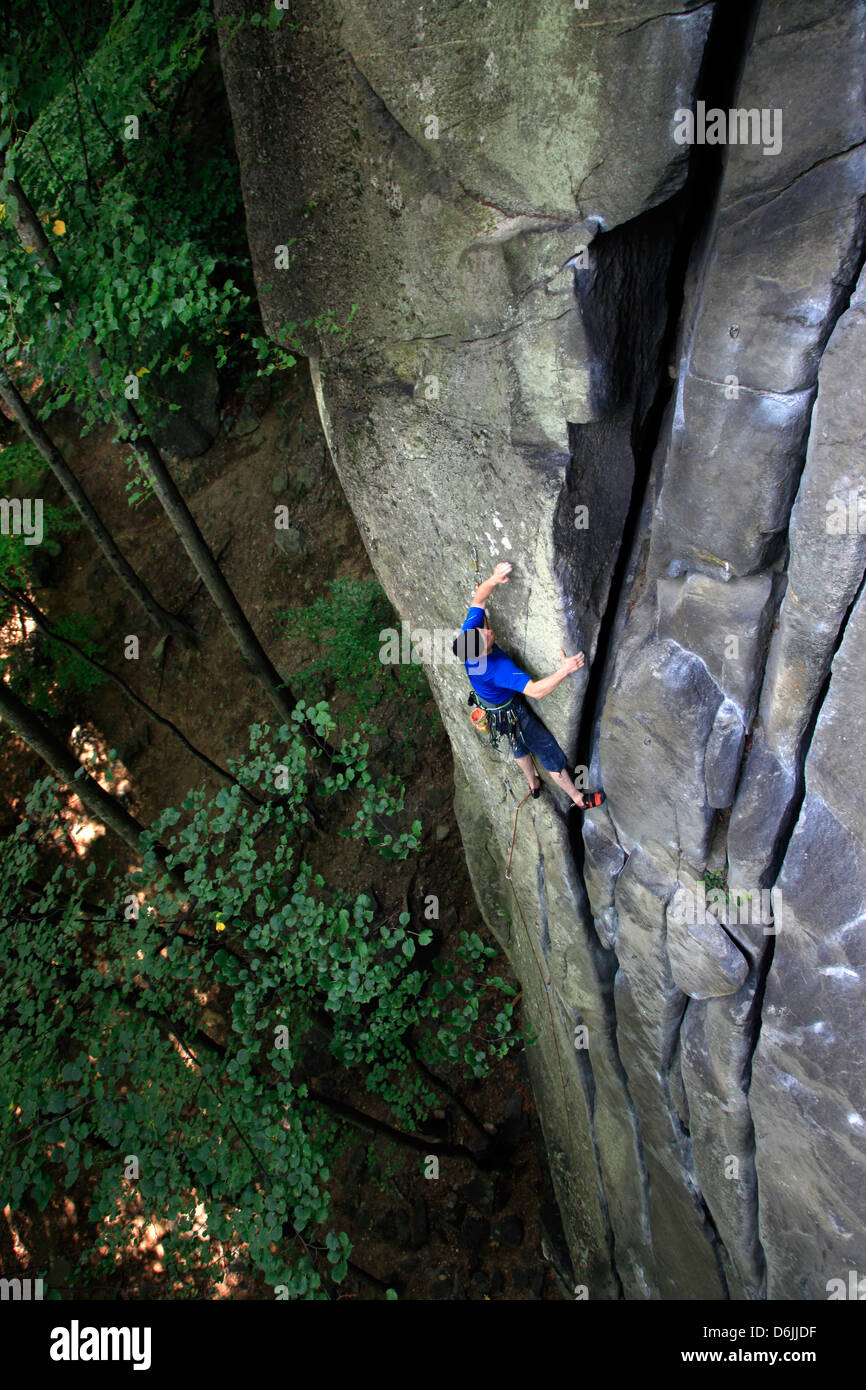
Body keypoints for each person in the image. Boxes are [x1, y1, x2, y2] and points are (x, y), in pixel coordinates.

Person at [453, 560, 603, 810]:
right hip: (511, 710)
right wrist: (564, 670)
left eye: (482, 632)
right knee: (546, 749)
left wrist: (493, 579)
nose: (487, 632)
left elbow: (478, 601)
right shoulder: (496, 669)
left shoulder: (469, 638)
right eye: (485, 639)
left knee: (516, 743)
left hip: (494, 709)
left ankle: (533, 784)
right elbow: (536, 691)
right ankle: (578, 798)